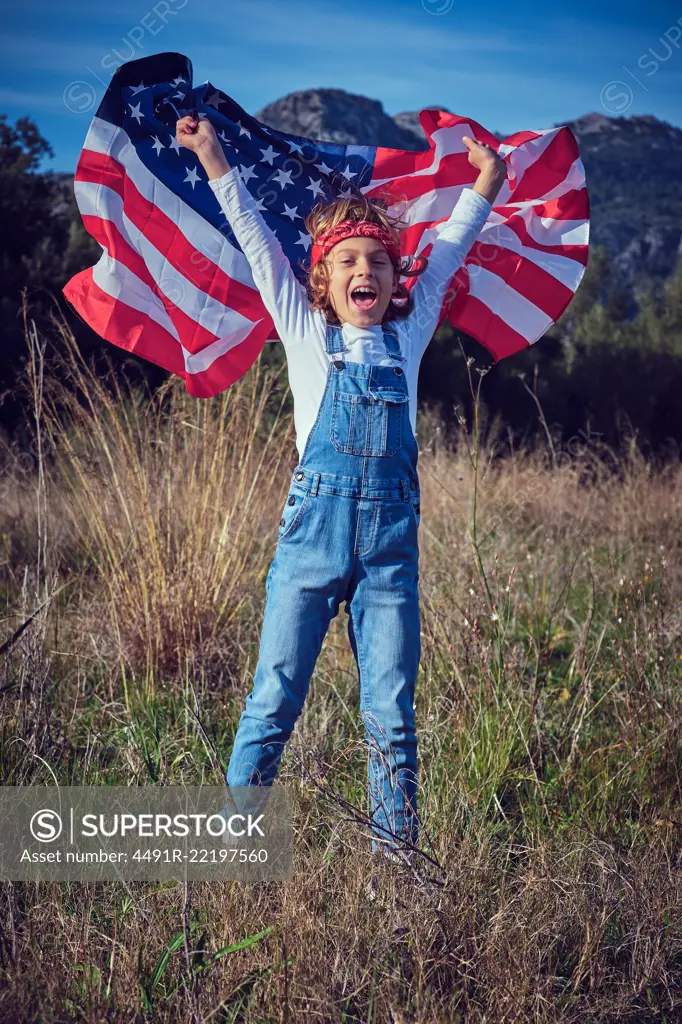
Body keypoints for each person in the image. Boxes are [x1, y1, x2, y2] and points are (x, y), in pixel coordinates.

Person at [176, 112, 506, 862]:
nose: (366, 271)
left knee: (391, 712)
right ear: (321, 280)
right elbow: (259, 242)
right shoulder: (304, 333)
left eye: (380, 262)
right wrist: (212, 153)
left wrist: (487, 181)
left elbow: (448, 254)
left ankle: (397, 867)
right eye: (348, 261)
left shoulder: (408, 334)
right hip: (309, 549)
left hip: (391, 558)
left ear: (396, 282)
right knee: (272, 702)